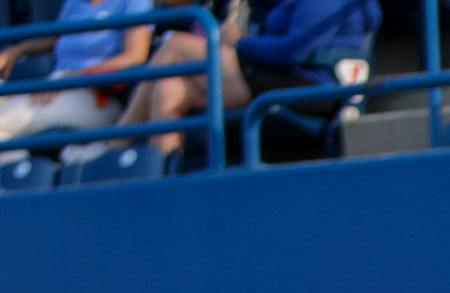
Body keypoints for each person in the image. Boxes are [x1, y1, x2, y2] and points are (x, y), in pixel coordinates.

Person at [110, 0, 377, 156]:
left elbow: (294, 51)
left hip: (311, 87)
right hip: (274, 76)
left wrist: (242, 42)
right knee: (170, 88)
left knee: (177, 47)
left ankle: (118, 142)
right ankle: (164, 175)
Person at [0, 0, 153, 164]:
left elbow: (136, 55)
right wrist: (16, 50)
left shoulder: (135, 2)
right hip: (57, 87)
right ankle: (20, 179)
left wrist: (72, 77)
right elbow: (57, 36)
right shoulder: (73, 3)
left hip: (96, 95)